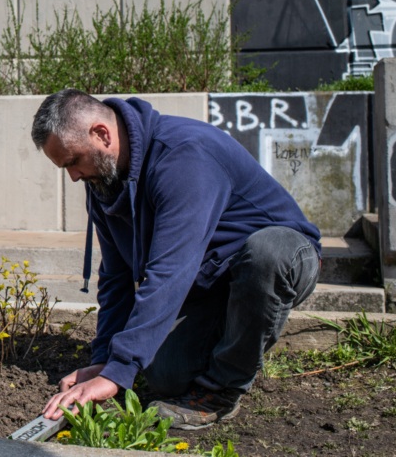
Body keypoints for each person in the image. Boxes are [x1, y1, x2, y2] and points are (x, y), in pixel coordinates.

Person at [34, 89, 321, 430]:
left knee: (266, 255)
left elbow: (170, 271)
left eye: (73, 161)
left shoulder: (184, 157)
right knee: (165, 376)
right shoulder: (104, 185)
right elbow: (116, 278)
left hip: (283, 256)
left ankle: (222, 391)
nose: (74, 177)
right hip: (212, 282)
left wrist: (120, 371)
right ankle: (236, 339)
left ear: (102, 134)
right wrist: (107, 363)